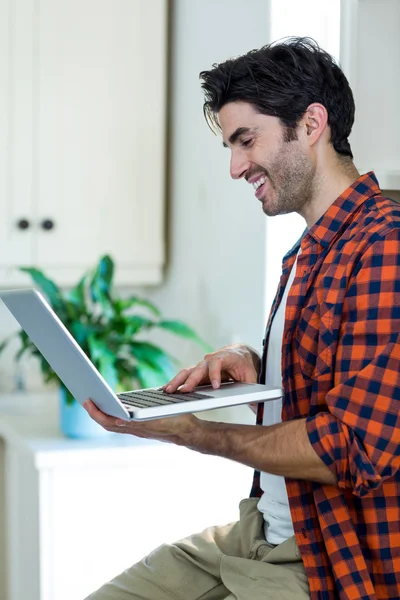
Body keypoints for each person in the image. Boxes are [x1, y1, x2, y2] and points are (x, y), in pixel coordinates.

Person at [83, 37, 400, 599]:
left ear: (311, 124)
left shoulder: (384, 246)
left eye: (245, 141)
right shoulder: (312, 248)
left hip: (326, 555)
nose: (235, 168)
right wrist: (255, 363)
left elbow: (353, 447)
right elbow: (330, 368)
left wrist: (198, 434)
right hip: (263, 529)